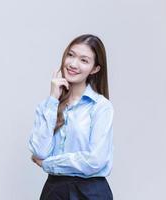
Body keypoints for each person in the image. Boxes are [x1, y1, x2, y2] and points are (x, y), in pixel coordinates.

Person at [28, 34, 114, 200]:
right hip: (54, 191)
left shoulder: (100, 107)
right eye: (71, 55)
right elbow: (39, 150)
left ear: (95, 69)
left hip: (90, 193)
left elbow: (95, 160)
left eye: (84, 60)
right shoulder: (47, 107)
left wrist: (49, 164)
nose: (73, 64)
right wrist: (53, 98)